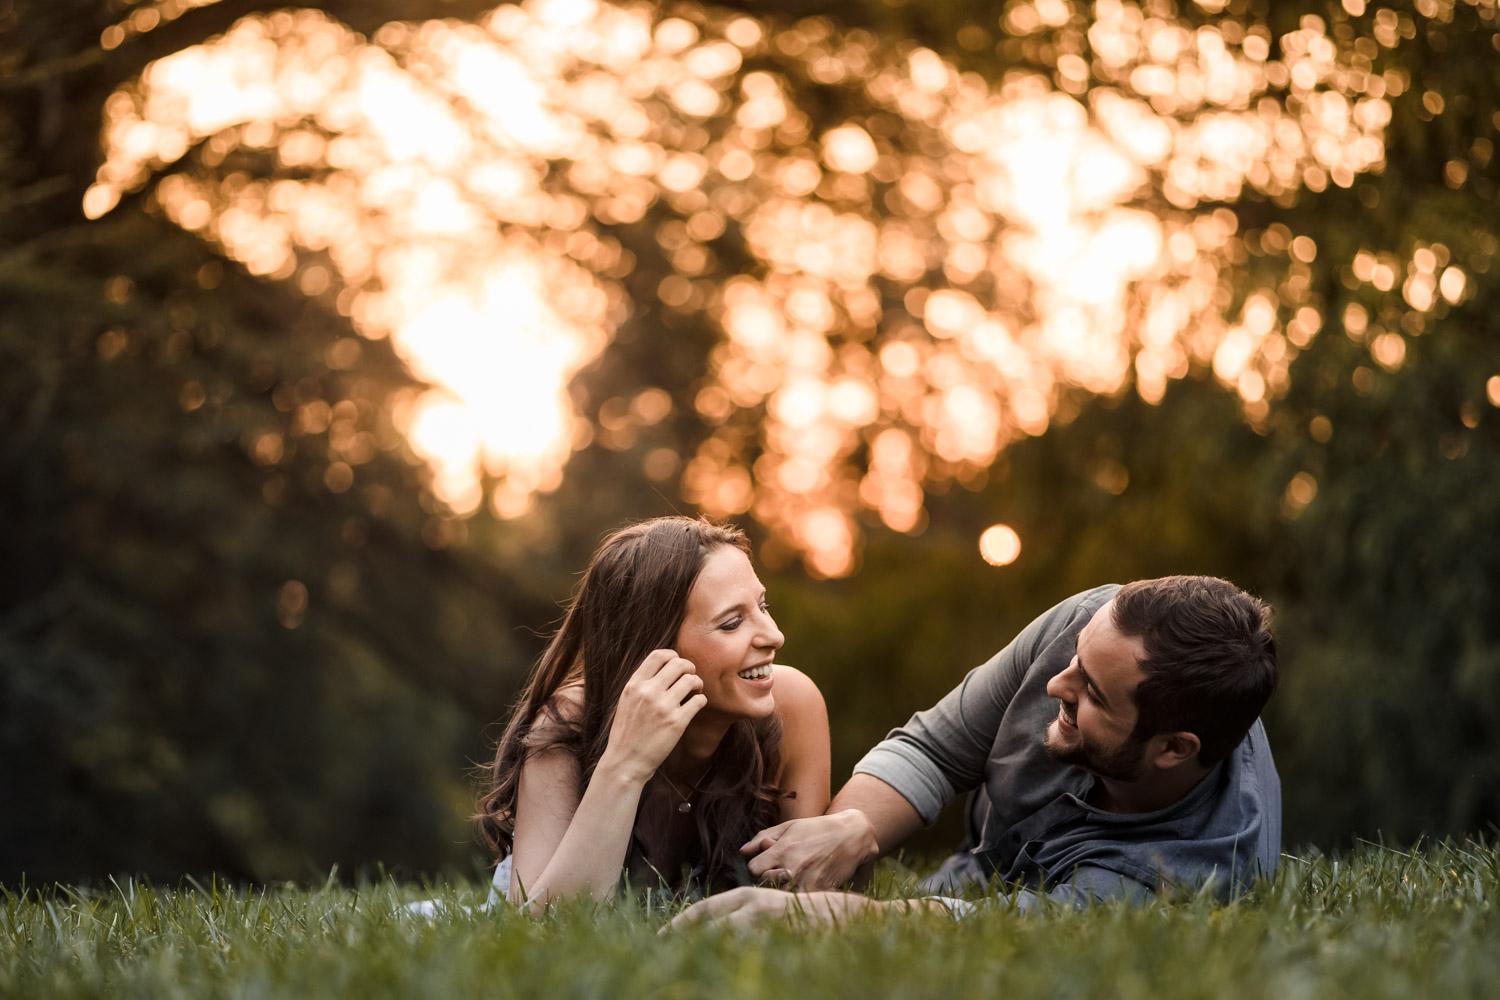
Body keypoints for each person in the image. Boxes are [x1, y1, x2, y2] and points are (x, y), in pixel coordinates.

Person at [671, 576, 1279, 928]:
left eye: (1090, 692)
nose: (1055, 685)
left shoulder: (1193, 870)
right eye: (1076, 658)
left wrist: (818, 919)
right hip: (977, 867)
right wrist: (849, 828)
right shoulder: (1097, 623)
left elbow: (1011, 929)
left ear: (1173, 749)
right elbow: (935, 747)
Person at [476, 516, 830, 913]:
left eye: (762, 606)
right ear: (653, 645)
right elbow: (539, 928)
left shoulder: (792, 704)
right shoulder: (568, 725)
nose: (773, 635)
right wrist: (625, 766)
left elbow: (807, 894)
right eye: (732, 623)